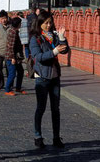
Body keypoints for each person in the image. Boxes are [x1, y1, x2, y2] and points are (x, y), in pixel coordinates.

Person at [29, 9, 69, 149]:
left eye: (50, 23)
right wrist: (54, 52)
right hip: (42, 77)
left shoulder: (54, 36)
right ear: (40, 23)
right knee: (41, 108)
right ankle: (38, 136)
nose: (48, 25)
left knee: (55, 109)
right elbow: (38, 57)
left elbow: (65, 49)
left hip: (54, 77)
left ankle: (56, 137)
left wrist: (62, 38)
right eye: (45, 23)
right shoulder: (36, 38)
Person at [4, 17, 25, 96]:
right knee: (12, 73)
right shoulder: (12, 32)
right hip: (11, 56)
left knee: (20, 71)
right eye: (20, 23)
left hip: (16, 56)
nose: (21, 25)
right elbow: (10, 46)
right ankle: (7, 89)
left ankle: (18, 88)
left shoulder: (14, 31)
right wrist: (12, 58)